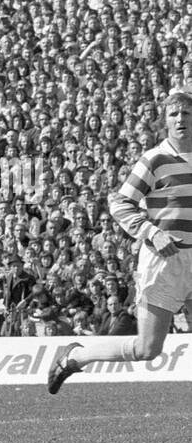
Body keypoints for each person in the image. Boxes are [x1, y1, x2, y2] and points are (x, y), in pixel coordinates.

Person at [50, 88, 192, 393]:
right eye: (174, 114)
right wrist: (152, 232)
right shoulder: (154, 160)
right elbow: (120, 203)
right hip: (164, 261)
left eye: (187, 113)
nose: (181, 119)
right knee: (147, 349)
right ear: (165, 121)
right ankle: (76, 356)